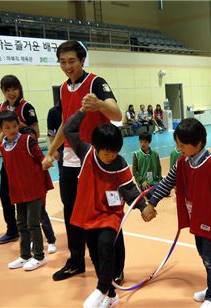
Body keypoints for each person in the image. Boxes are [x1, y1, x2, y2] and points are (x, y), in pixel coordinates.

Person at [41, 40, 123, 281]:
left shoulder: (96, 82)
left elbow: (116, 113)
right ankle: (76, 261)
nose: (67, 66)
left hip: (96, 159)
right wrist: (50, 151)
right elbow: (66, 124)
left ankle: (116, 267)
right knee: (72, 213)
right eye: (63, 62)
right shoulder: (64, 88)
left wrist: (98, 104)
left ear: (82, 60)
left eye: (72, 61)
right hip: (69, 159)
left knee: (106, 214)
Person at [146, 118, 211, 308]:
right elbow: (167, 182)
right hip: (197, 217)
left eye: (182, 145)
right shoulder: (183, 162)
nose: (178, 149)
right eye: (177, 144)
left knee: (210, 257)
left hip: (210, 219)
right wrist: (152, 203)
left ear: (198, 143)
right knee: (204, 254)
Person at [64, 107, 153, 308]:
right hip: (87, 215)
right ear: (96, 146)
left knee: (105, 246)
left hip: (109, 215)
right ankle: (111, 296)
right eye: (106, 151)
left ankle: (102, 288)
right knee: (95, 255)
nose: (110, 155)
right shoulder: (86, 153)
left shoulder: (119, 163)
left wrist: (143, 206)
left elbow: (129, 188)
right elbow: (69, 129)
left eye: (115, 151)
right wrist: (82, 111)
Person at [0, 111, 54, 271]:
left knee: (33, 223)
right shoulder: (3, 147)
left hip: (34, 189)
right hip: (17, 190)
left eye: (15, 126)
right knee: (21, 223)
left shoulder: (27, 140)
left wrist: (46, 161)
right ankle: (25, 255)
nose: (12, 129)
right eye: (7, 127)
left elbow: (41, 157)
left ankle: (39, 256)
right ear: (0, 129)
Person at [0, 74, 40, 245]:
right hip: (8, 158)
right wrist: (0, 142)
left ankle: (33, 233)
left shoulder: (26, 107)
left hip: (24, 159)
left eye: (14, 88)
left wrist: (22, 127)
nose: (11, 93)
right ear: (3, 91)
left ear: (19, 88)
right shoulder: (2, 106)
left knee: (29, 197)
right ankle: (12, 230)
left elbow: (36, 132)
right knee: (4, 195)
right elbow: (3, 128)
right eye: (7, 90)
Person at [20, 126, 57, 254]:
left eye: (33, 137)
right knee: (27, 217)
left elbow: (44, 166)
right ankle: (32, 240)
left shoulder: (37, 153)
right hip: (26, 188)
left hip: (39, 187)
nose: (32, 139)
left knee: (41, 213)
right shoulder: (21, 152)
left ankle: (51, 240)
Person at [132, 132, 162, 198]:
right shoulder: (136, 154)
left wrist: (160, 180)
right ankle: (142, 189)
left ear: (149, 142)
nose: (142, 144)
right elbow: (134, 171)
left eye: (145, 142)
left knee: (165, 192)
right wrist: (142, 181)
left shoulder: (155, 154)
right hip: (144, 182)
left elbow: (159, 168)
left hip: (154, 181)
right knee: (151, 194)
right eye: (141, 142)